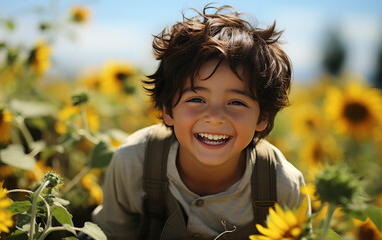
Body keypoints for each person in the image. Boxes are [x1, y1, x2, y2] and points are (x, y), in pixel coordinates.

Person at [90, 4, 309, 240]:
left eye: (236, 102)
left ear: (262, 117)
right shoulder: (134, 162)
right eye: (196, 98)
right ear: (168, 109)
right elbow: (109, 234)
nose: (214, 117)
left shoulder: (281, 185)